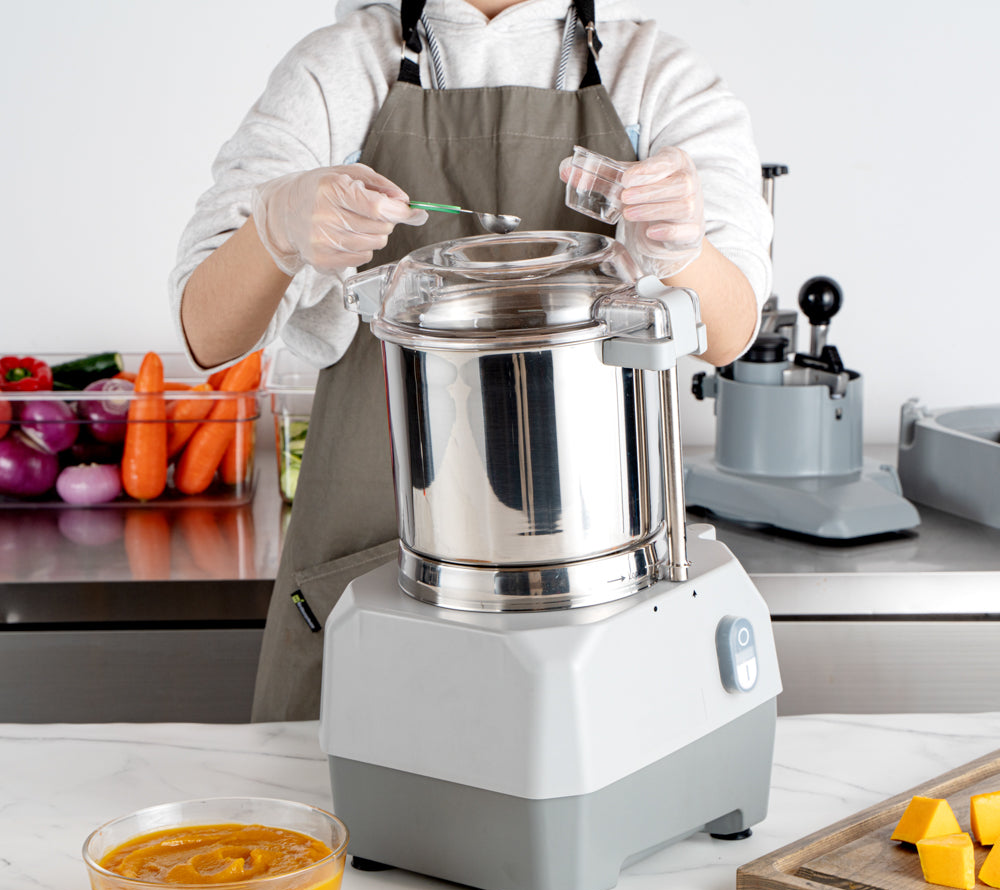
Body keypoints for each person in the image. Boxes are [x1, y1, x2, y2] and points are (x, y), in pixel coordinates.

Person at [170, 0, 774, 721]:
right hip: (376, 591)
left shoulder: (653, 75)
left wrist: (684, 248)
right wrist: (277, 227)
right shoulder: (341, 70)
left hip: (605, 597)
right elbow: (205, 332)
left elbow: (730, 330)